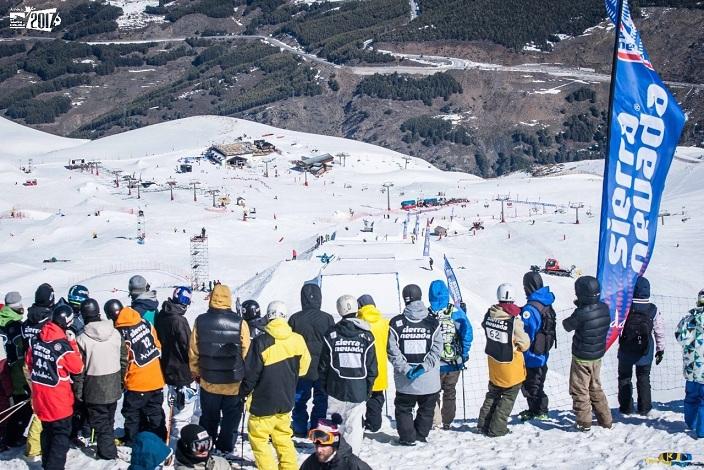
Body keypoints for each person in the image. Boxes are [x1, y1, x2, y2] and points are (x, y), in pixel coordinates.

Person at [238, 301, 310, 470]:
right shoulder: (297, 340)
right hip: (285, 399)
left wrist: (243, 391)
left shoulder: (261, 342)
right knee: (284, 438)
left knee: (259, 440)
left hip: (262, 402)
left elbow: (251, 374)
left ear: (268, 316)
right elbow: (304, 367)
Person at [189, 284, 250, 457]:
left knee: (208, 416)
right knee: (231, 418)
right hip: (234, 382)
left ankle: (205, 446)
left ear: (212, 299)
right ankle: (225, 446)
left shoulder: (200, 321)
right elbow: (247, 351)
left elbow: (193, 351)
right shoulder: (240, 322)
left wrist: (195, 372)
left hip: (209, 381)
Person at [25, 301, 84, 470]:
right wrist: (72, 344)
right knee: (60, 435)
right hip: (58, 400)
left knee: (47, 431)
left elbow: (30, 363)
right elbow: (77, 367)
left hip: (40, 396)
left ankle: (46, 464)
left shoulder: (37, 339)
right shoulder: (63, 345)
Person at [319, 295, 377, 454]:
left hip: (335, 387)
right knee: (355, 426)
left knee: (335, 423)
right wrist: (368, 388)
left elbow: (323, 365)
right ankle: (350, 456)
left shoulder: (331, 334)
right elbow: (372, 368)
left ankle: (333, 454)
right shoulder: (366, 335)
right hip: (358, 388)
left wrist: (325, 386)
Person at [387, 284, 442, 446]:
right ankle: (420, 435)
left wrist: (406, 369)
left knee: (404, 408)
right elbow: (437, 349)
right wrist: (423, 367)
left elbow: (392, 350)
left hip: (406, 380)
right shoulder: (433, 323)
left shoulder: (397, 323)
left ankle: (407, 437)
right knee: (427, 407)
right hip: (428, 378)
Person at [75, 298, 126, 460]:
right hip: (113, 382)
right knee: (108, 420)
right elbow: (124, 358)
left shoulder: (81, 339)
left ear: (83, 316)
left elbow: (79, 370)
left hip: (94, 386)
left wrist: (78, 391)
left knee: (101, 424)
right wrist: (121, 380)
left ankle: (108, 454)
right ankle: (106, 448)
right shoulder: (114, 332)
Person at [477, 283, 530, 437]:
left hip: (494, 364)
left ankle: (483, 424)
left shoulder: (490, 314)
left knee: (492, 394)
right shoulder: (514, 321)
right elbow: (525, 344)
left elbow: (485, 325)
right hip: (511, 367)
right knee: (507, 397)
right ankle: (497, 428)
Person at [562, 275, 613, 431]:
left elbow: (567, 325)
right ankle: (606, 419)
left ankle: (584, 422)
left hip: (581, 357)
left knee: (579, 388)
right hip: (597, 356)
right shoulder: (604, 307)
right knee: (595, 386)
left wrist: (579, 308)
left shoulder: (582, 313)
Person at [115, 303, 167, 444]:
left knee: (132, 413)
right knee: (155, 410)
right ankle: (160, 437)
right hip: (156, 376)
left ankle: (132, 439)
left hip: (137, 380)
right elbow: (157, 344)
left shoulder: (120, 333)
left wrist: (122, 379)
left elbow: (123, 360)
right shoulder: (145, 322)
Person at [289, 283, 335, 437]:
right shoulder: (327, 318)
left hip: (301, 368)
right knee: (321, 399)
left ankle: (300, 426)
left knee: (299, 400)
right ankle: (317, 427)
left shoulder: (295, 319)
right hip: (322, 368)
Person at [428, 280, 473, 430]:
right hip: (454, 361)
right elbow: (467, 333)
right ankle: (447, 421)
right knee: (450, 391)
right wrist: (464, 353)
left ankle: (435, 421)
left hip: (434, 363)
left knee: (433, 392)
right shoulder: (455, 312)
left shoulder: (428, 313)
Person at [617, 276, 665, 416]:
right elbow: (659, 331)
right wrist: (660, 349)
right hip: (646, 350)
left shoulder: (624, 307)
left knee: (624, 378)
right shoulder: (653, 309)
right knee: (643, 378)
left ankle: (625, 408)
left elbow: (617, 327)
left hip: (626, 349)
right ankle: (644, 408)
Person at [156, 286, 197, 443]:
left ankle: (181, 440)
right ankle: (177, 444)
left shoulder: (162, 315)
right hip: (182, 372)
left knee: (177, 407)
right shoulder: (179, 320)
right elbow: (188, 346)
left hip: (168, 367)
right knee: (183, 411)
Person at [21, 283, 56, 461]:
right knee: (41, 408)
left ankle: (37, 441)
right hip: (41, 365)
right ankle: (33, 446)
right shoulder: (48, 319)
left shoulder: (28, 320)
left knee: (38, 405)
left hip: (28, 365)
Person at [518, 272, 557, 421]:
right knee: (537, 383)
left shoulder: (530, 309)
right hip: (542, 352)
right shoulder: (545, 302)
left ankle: (540, 411)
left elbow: (527, 332)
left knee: (532, 385)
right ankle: (534, 409)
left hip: (532, 354)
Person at [0, 291, 31, 448]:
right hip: (11, 370)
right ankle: (12, 437)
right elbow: (21, 353)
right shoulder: (16, 327)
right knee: (21, 405)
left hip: (4, 366)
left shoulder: (1, 320)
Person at [356, 294, 389, 432]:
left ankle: (357, 424)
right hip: (379, 366)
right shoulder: (385, 322)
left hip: (360, 367)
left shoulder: (357, 323)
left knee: (357, 400)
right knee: (376, 397)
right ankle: (374, 424)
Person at [674, 289, 704, 439]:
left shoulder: (689, 320)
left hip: (691, 368)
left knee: (691, 397)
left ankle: (690, 423)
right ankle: (702, 431)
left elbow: (680, 338)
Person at [300, 416, 373, 470]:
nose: (319, 450)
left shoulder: (353, 465)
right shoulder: (311, 463)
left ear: (334, 444)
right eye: (317, 445)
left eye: (324, 446)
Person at [67, 284, 90, 445]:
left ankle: (74, 428)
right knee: (79, 398)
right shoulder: (76, 320)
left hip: (68, 363)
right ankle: (76, 429)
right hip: (77, 363)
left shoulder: (62, 314)